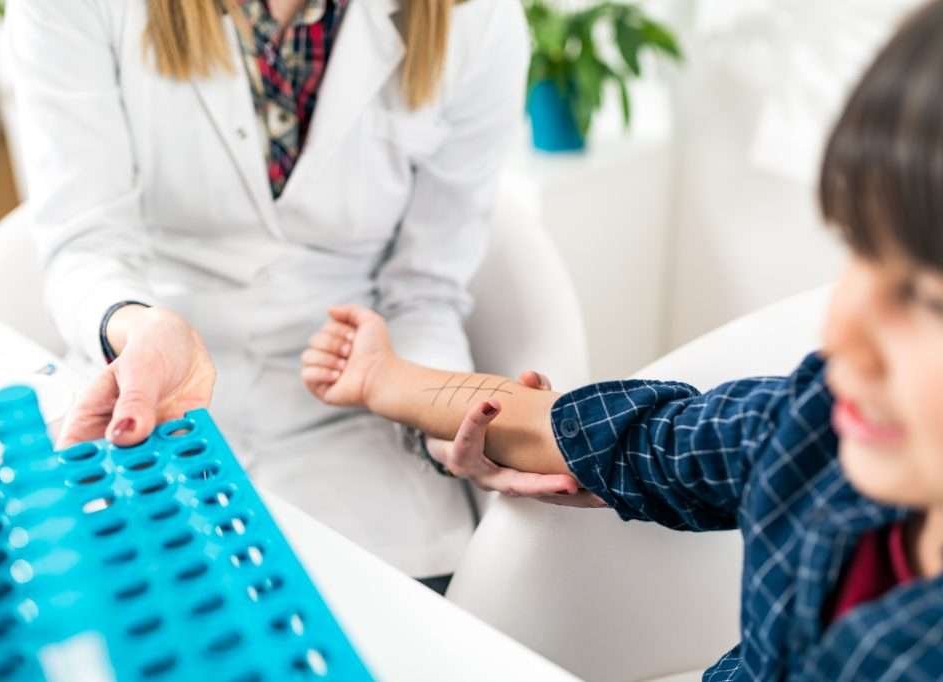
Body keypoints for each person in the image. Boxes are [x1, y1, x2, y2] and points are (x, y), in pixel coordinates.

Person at [302, 0, 943, 675]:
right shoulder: (814, 430)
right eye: (856, 252)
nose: (840, 333)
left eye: (923, 299)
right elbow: (625, 436)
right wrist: (385, 378)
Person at [5, 0, 551, 588]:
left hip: (356, 426)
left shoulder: (478, 20)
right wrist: (138, 331)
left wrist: (443, 420)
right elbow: (86, 245)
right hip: (150, 394)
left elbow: (424, 290)